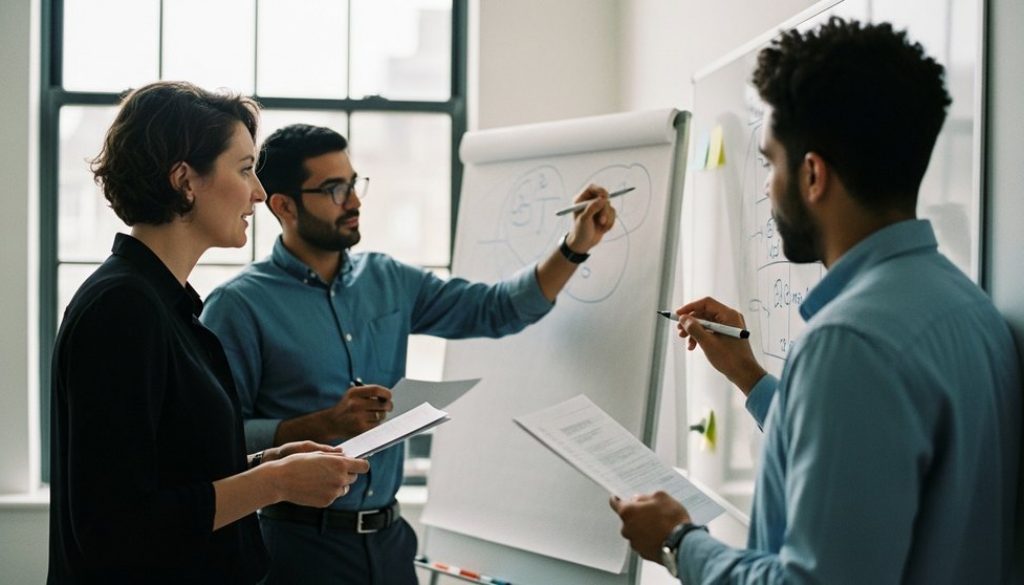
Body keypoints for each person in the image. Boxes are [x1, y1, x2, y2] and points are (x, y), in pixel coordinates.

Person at [612, 17, 1021, 584]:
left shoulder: (847, 344)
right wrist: (751, 378)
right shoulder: (968, 310)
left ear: (812, 175)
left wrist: (680, 543)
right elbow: (872, 463)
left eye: (768, 161)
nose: (765, 186)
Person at [199, 123, 617, 584]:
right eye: (335, 189)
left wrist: (574, 246)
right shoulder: (238, 305)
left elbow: (495, 310)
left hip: (391, 545)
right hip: (295, 551)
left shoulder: (389, 279)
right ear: (283, 206)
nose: (354, 201)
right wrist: (321, 426)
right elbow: (214, 442)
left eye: (354, 184)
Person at [48, 81, 370, 584]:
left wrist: (268, 460)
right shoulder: (122, 309)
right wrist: (273, 483)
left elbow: (170, 472)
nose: (259, 193)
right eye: (245, 170)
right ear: (185, 181)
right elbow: (116, 525)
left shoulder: (160, 303)